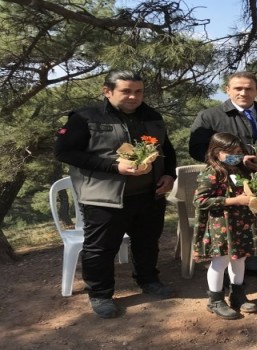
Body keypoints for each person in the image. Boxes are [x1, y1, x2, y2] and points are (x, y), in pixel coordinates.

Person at [54, 70, 177, 318]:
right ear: (107, 91)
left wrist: (169, 174)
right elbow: (65, 152)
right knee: (101, 249)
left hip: (149, 194)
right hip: (104, 197)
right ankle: (100, 294)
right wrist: (114, 166)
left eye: (138, 91)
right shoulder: (86, 117)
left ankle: (148, 280)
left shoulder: (152, 116)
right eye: (126, 91)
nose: (133, 96)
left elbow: (166, 149)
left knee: (147, 242)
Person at [189, 71, 257, 284]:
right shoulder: (210, 116)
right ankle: (223, 270)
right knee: (230, 226)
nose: (243, 92)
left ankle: (254, 264)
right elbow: (197, 148)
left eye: (249, 88)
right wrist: (236, 160)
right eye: (238, 88)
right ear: (227, 90)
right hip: (227, 183)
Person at [192, 133, 257, 320]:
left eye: (238, 152)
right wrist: (234, 200)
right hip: (220, 224)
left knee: (239, 259)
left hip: (240, 223)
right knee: (220, 261)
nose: (235, 155)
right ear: (216, 152)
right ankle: (215, 299)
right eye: (229, 152)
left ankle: (237, 294)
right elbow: (200, 200)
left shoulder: (239, 170)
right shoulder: (211, 172)